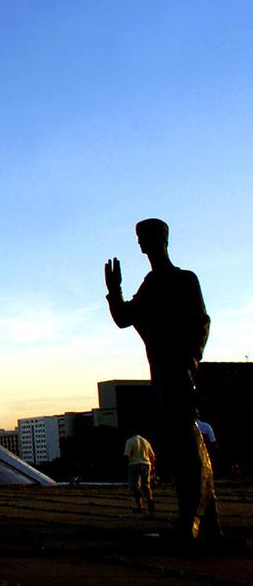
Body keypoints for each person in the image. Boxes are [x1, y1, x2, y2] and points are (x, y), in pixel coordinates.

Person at [106, 218, 221, 540]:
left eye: (146, 237)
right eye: (139, 238)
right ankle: (208, 522)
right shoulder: (151, 283)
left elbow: (202, 323)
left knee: (185, 443)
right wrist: (114, 291)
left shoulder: (183, 279)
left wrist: (190, 361)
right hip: (162, 370)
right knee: (184, 442)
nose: (141, 244)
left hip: (179, 370)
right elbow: (124, 318)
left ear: (162, 239)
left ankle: (191, 521)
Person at [124, 433, 156, 514]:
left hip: (134, 464)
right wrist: (152, 468)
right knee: (146, 485)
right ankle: (150, 501)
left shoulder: (130, 441)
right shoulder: (146, 441)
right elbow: (152, 456)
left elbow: (127, 455)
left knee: (135, 486)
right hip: (146, 464)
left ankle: (140, 506)